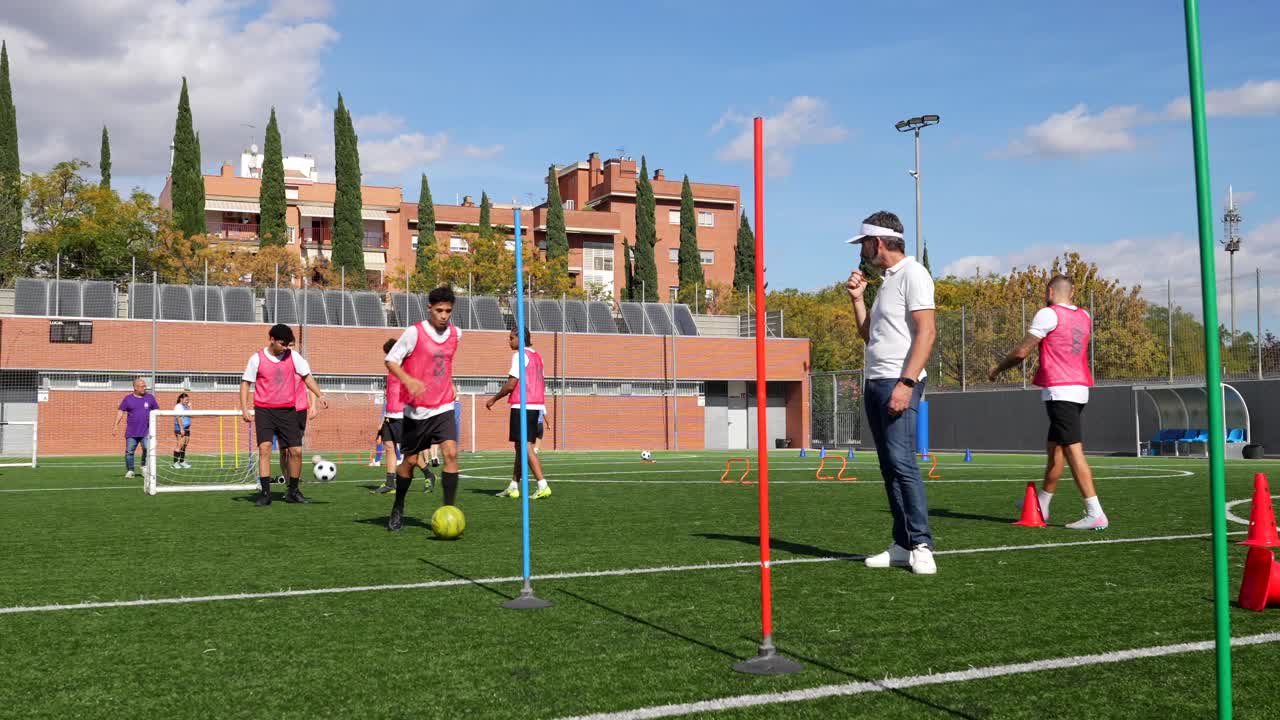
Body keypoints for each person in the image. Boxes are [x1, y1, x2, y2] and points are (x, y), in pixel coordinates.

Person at [846, 210, 938, 575]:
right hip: (877, 381)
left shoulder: (914, 274)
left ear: (878, 242)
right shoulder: (887, 281)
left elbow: (926, 333)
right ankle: (902, 543)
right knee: (888, 467)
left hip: (898, 381)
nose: (862, 251)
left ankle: (922, 544)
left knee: (902, 463)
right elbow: (869, 335)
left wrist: (906, 383)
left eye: (864, 244)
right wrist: (856, 299)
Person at [989, 275, 1107, 530]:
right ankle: (1042, 505)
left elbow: (1022, 351)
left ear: (1050, 292)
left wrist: (997, 369)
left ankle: (1095, 511)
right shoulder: (1085, 316)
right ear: (1072, 293)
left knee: (1073, 450)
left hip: (1060, 390)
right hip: (1079, 388)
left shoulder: (1048, 314)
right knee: (1055, 450)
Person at [383, 286, 463, 531]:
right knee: (409, 461)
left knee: (450, 453)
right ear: (429, 308)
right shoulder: (414, 333)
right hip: (416, 411)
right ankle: (398, 505)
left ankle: (449, 509)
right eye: (439, 310)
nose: (443, 315)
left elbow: (443, 364)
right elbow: (391, 360)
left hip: (444, 406)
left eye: (448, 311)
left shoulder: (456, 334)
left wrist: (449, 384)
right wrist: (408, 380)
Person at [239, 324, 327, 506]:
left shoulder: (293, 357)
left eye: (288, 344)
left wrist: (320, 395)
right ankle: (265, 493)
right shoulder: (257, 358)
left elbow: (307, 377)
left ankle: (293, 491)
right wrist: (244, 408)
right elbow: (245, 383)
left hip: (288, 410)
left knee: (296, 451)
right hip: (265, 410)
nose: (285, 347)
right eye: (282, 343)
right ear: (271, 339)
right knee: (264, 449)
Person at [486, 328, 551, 500]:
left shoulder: (519, 355)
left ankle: (542, 484)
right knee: (519, 448)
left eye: (511, 338)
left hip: (522, 406)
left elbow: (511, 384)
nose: (509, 341)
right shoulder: (538, 357)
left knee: (525, 447)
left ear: (520, 339)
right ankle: (514, 486)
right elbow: (541, 382)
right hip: (534, 406)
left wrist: (493, 399)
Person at [113, 377, 159, 479]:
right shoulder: (128, 399)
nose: (145, 388)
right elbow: (121, 411)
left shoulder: (150, 398)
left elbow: (156, 411)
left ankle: (144, 466)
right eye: (142, 386)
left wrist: (154, 427)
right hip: (132, 432)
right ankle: (130, 470)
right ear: (135, 387)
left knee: (147, 448)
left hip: (146, 431)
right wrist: (116, 425)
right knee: (129, 451)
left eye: (145, 386)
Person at [172, 392, 192, 469]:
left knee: (184, 445)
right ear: (181, 399)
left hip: (187, 428)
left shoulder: (186, 406)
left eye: (188, 400)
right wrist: (181, 428)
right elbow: (179, 417)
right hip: (180, 428)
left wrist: (190, 407)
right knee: (180, 445)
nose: (188, 401)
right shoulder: (178, 406)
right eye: (186, 399)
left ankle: (182, 461)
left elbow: (190, 415)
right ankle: (175, 463)